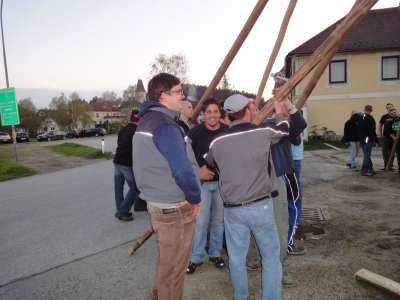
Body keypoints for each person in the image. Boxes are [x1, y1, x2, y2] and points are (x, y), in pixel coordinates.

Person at [204, 94, 293, 300]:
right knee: (270, 257)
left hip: (232, 208)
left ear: (227, 114)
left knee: (236, 259)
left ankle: (240, 297)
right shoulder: (262, 133)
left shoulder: (216, 142)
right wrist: (279, 110)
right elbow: (284, 131)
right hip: (260, 205)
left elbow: (211, 164)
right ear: (247, 111)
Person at [132, 73, 201, 300]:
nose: (183, 96)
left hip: (158, 203)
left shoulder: (147, 121)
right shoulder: (166, 126)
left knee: (166, 264)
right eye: (179, 91)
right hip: (174, 208)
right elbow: (182, 170)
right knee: (174, 271)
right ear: (164, 95)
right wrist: (195, 197)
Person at [186, 98, 228, 274]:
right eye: (209, 112)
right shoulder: (194, 133)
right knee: (201, 222)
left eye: (216, 112)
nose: (212, 115)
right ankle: (196, 258)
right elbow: (186, 154)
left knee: (218, 221)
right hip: (202, 185)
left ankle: (215, 253)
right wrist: (199, 168)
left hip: (221, 184)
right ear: (203, 114)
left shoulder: (227, 131)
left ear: (220, 113)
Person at [113, 109, 146, 221]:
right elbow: (138, 150)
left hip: (117, 160)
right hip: (126, 163)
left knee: (118, 187)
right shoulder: (136, 132)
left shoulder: (123, 129)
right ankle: (122, 211)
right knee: (136, 188)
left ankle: (121, 209)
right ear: (140, 119)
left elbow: (120, 143)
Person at [358, 105, 379, 176]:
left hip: (361, 139)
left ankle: (370, 169)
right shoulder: (370, 119)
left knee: (366, 155)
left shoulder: (360, 118)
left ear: (364, 109)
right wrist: (376, 140)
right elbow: (372, 131)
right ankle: (364, 170)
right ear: (371, 110)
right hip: (368, 139)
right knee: (367, 155)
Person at [379, 103, 395, 170]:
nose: (389, 108)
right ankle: (386, 166)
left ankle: (390, 166)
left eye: (390, 107)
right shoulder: (384, 116)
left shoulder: (396, 116)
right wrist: (380, 134)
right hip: (385, 137)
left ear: (393, 107)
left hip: (394, 138)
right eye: (388, 107)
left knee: (392, 152)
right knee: (385, 152)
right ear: (387, 109)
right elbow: (380, 125)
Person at [384, 108, 400, 172]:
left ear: (397, 112)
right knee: (398, 154)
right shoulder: (390, 122)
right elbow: (387, 131)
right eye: (392, 113)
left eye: (394, 112)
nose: (394, 114)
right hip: (396, 140)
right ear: (390, 115)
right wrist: (393, 137)